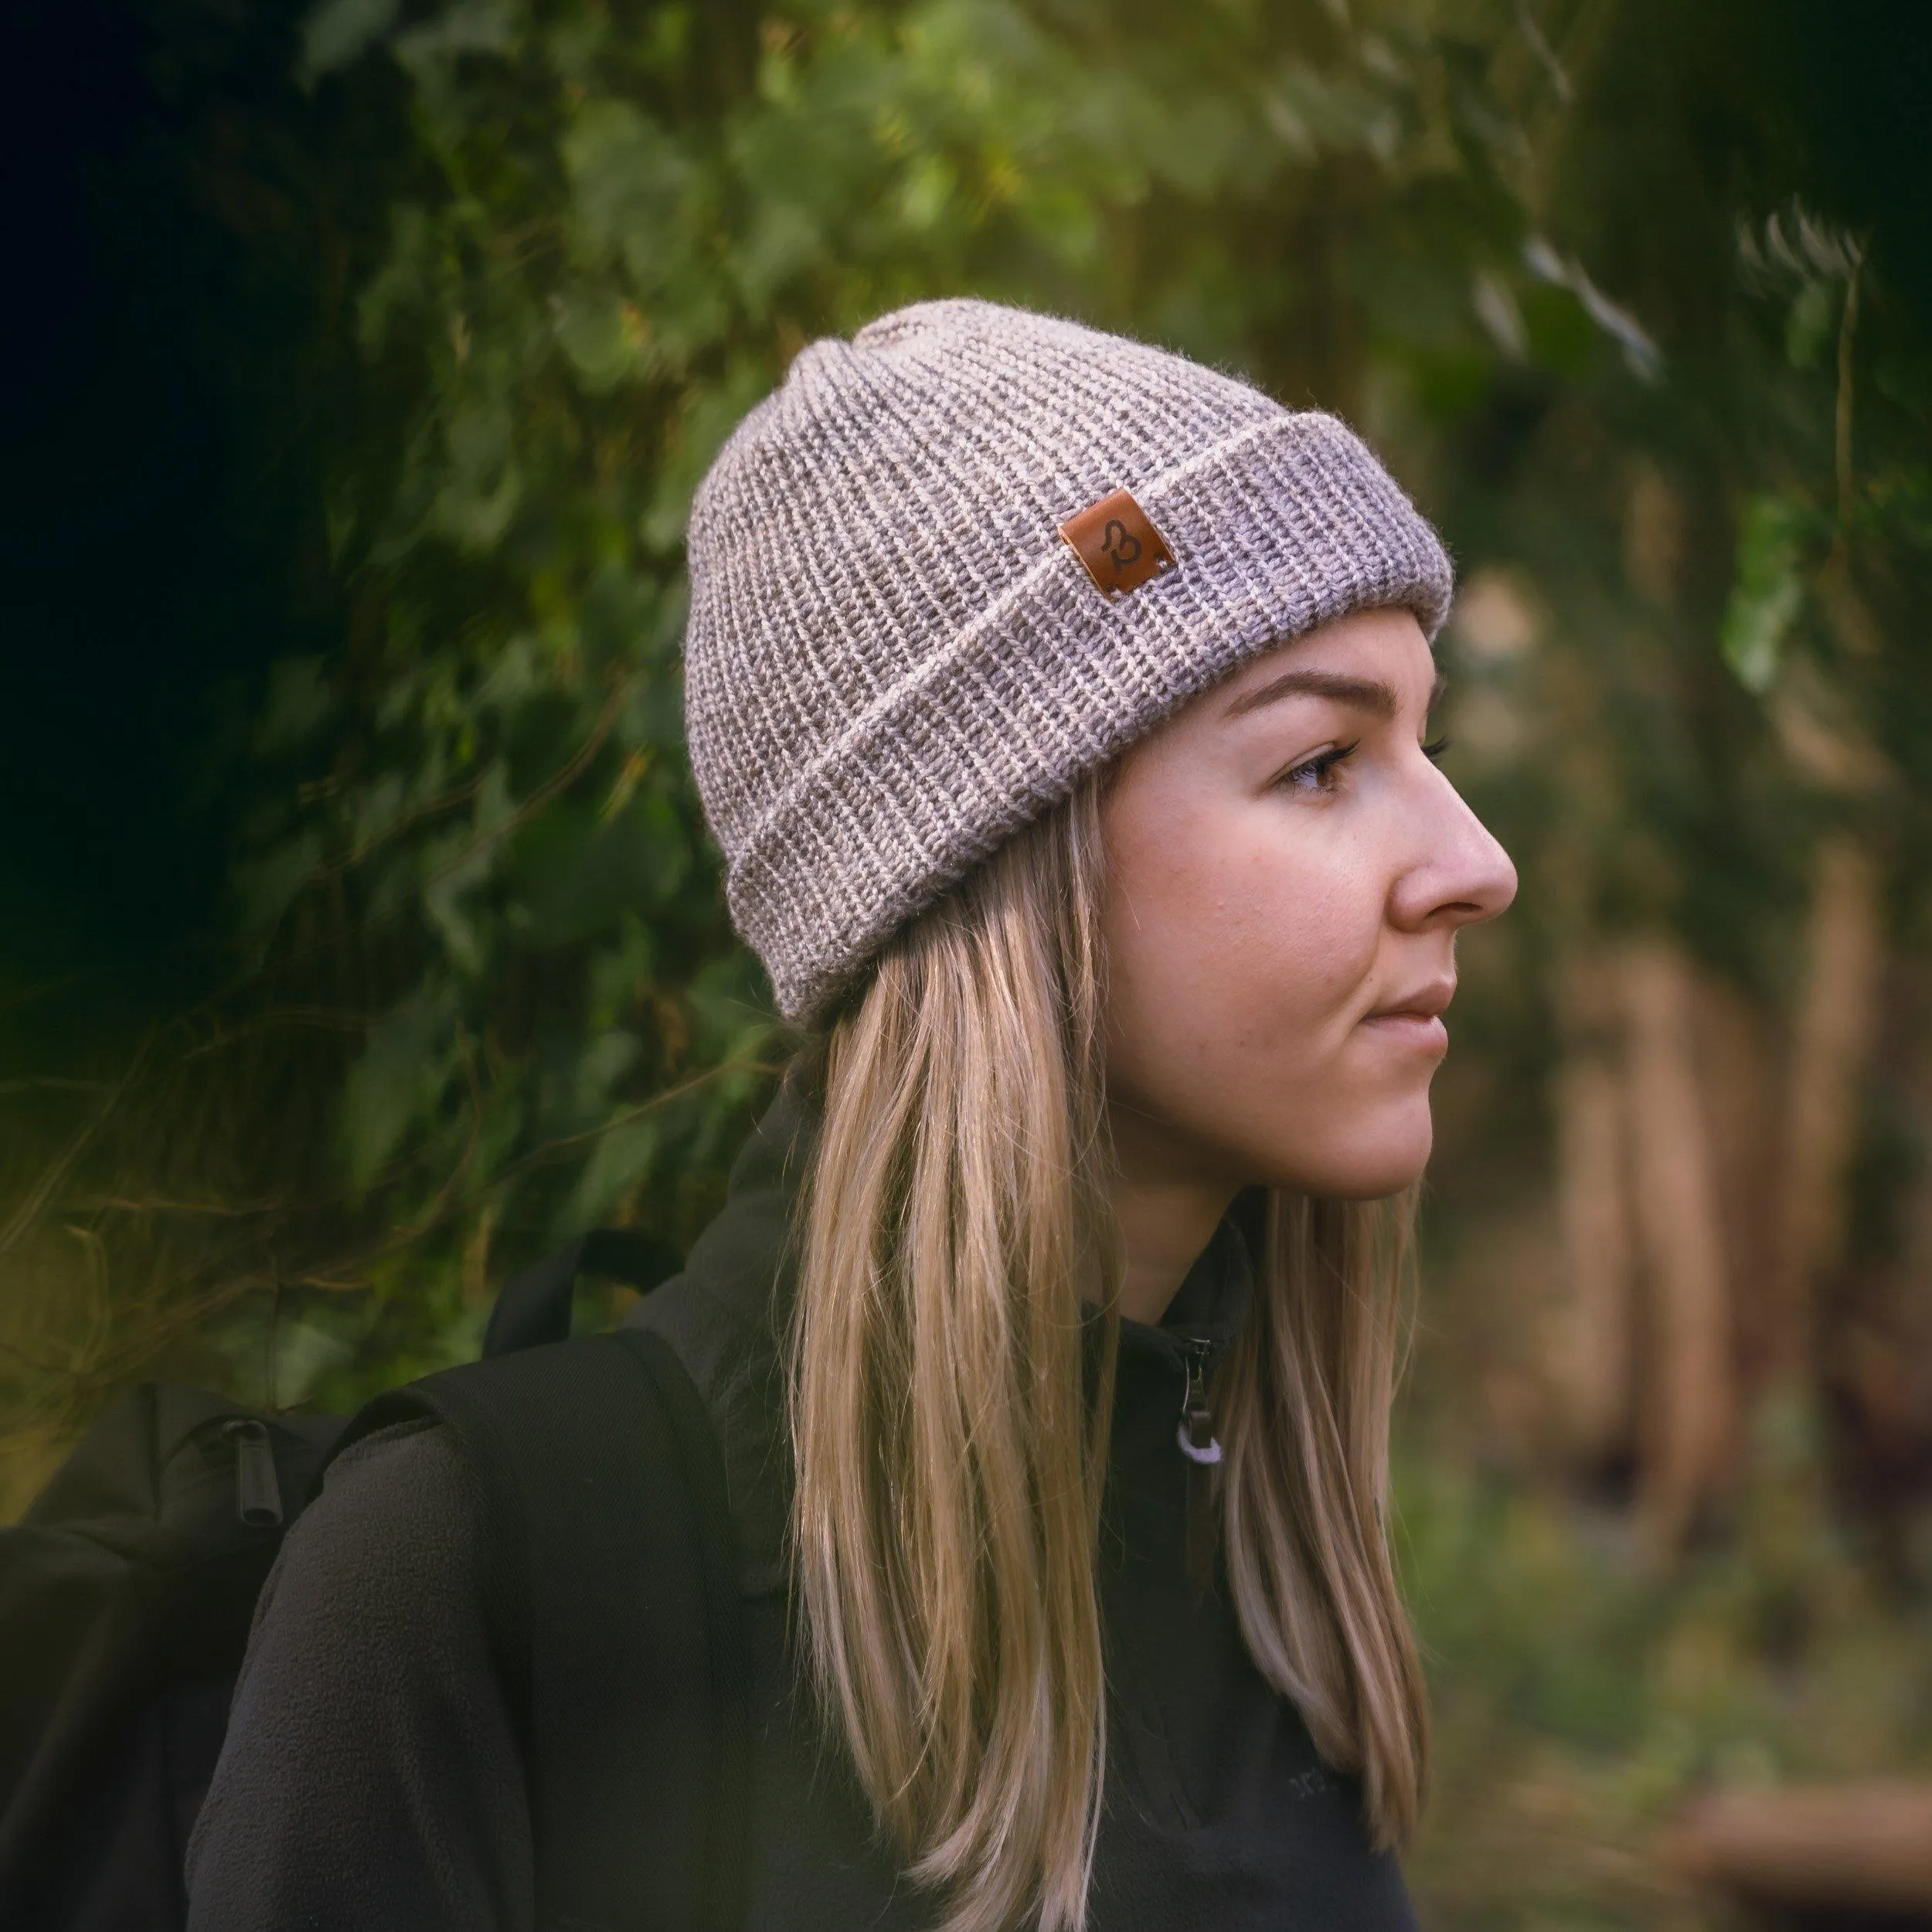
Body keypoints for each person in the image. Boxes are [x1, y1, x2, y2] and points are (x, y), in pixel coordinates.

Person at [185, 298, 1516, 1931]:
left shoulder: (1259, 1556)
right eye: (1321, 760)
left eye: (1425, 742)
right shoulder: (457, 1581)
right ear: (992, 875)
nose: (1472, 860)